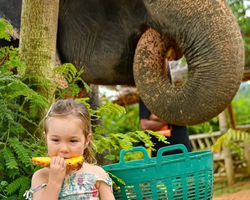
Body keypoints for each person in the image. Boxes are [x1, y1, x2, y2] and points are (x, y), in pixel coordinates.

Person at [24, 99, 115, 200]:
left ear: (86, 141)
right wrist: (54, 182)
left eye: (73, 141)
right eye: (55, 140)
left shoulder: (98, 174)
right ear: (46, 139)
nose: (64, 149)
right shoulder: (41, 176)